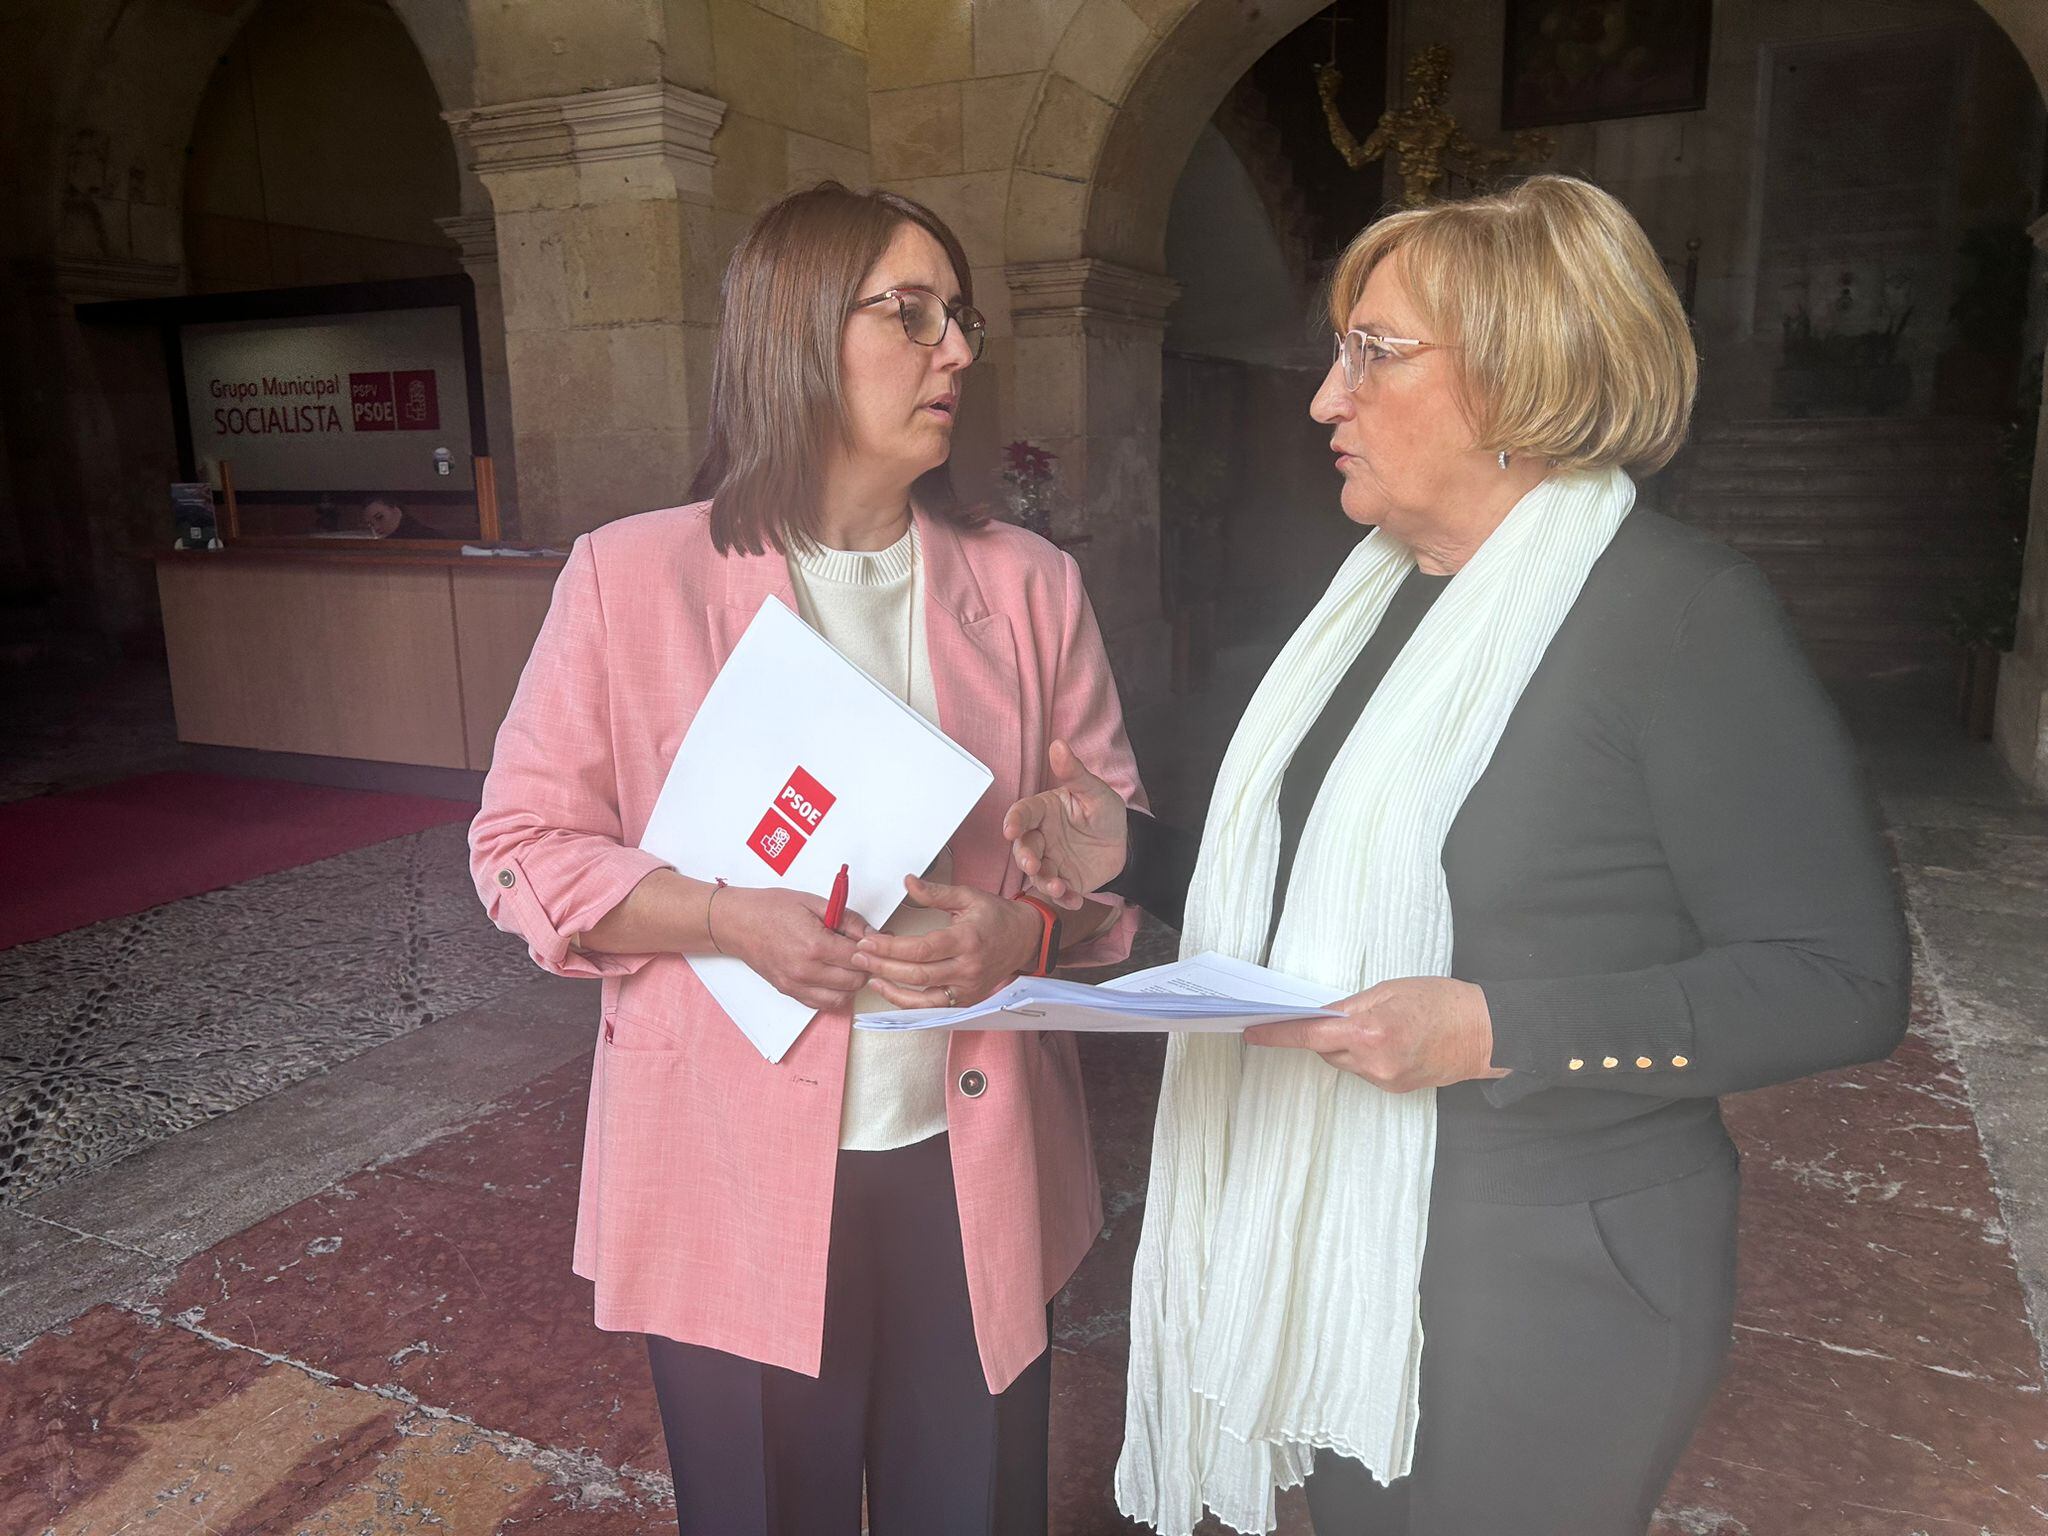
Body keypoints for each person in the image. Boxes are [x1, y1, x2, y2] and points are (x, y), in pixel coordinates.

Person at [1001, 175, 1910, 1536]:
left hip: (1557, 1286)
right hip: (1349, 1251)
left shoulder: (1679, 617)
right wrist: (1130, 851)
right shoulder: (1369, 608)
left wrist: (1496, 1030)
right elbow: (1332, 887)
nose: (1324, 396)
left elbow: (1839, 981)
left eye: (1375, 350)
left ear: (1523, 372)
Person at [468, 182, 1145, 1536]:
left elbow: (1107, 837)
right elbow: (519, 848)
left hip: (973, 1153)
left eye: (961, 320)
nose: (956, 349)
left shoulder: (1026, 586)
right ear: (792, 334)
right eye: (911, 313)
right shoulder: (631, 578)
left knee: (977, 1509)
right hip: (726, 1160)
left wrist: (1035, 922)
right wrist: (727, 917)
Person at [362, 496, 441, 540]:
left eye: (380, 517)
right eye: (370, 524)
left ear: (396, 511)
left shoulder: (429, 537)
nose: (376, 527)